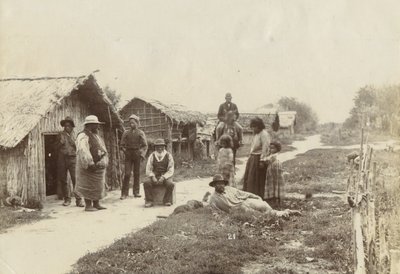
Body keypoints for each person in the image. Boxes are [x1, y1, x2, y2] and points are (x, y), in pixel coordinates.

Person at [208, 174, 300, 218]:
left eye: (222, 183)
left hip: (246, 202)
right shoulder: (213, 199)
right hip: (239, 209)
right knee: (260, 216)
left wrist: (255, 196)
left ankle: (284, 212)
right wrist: (220, 218)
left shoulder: (230, 189)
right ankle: (284, 213)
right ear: (214, 185)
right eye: (218, 184)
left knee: (263, 205)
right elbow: (214, 212)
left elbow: (243, 193)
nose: (221, 185)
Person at [75, 115, 108, 212]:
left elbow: (102, 148)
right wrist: (90, 163)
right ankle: (88, 205)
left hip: (98, 166)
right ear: (90, 125)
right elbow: (83, 151)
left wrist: (103, 160)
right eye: (96, 124)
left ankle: (96, 203)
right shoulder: (83, 136)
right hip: (88, 167)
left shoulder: (96, 136)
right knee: (88, 184)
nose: (98, 126)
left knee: (97, 184)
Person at [56, 116, 83, 207]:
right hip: (62, 159)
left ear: (72, 126)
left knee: (75, 179)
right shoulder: (60, 135)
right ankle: (67, 199)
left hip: (73, 159)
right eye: (65, 126)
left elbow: (79, 147)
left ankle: (79, 200)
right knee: (63, 179)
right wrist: (60, 143)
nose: (66, 127)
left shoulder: (76, 135)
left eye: (68, 126)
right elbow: (54, 147)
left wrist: (73, 142)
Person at [120, 114, 148, 199]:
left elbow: (145, 145)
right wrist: (125, 152)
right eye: (130, 123)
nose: (131, 124)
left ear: (137, 123)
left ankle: (136, 192)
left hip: (137, 154)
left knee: (137, 173)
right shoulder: (126, 133)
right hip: (128, 154)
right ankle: (124, 193)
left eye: (133, 123)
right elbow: (122, 145)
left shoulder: (140, 133)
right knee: (127, 174)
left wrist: (142, 154)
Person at [243, 117, 271, 197]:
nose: (253, 129)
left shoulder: (264, 134)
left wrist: (262, 160)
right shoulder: (256, 134)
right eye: (252, 127)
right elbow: (253, 147)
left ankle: (258, 195)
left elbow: (265, 148)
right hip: (253, 157)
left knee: (257, 178)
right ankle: (250, 194)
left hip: (258, 158)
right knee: (250, 178)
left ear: (259, 126)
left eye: (255, 127)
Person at [143, 139, 175, 208]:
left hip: (165, 175)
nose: (160, 148)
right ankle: (149, 201)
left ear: (164, 147)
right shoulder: (152, 155)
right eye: (158, 146)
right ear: (155, 147)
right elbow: (148, 168)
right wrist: (152, 176)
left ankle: (166, 200)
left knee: (170, 184)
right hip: (154, 175)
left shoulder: (168, 155)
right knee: (146, 183)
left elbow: (171, 169)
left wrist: (164, 177)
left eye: (161, 146)